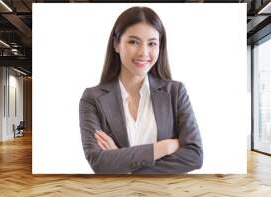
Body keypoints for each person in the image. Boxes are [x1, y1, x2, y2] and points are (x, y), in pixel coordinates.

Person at [79, 6, 202, 174]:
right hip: (115, 196)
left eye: (152, 43)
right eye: (133, 42)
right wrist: (162, 148)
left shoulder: (175, 92)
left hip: (167, 196)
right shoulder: (92, 98)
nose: (144, 52)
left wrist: (121, 163)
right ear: (116, 44)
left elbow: (194, 156)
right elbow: (98, 162)